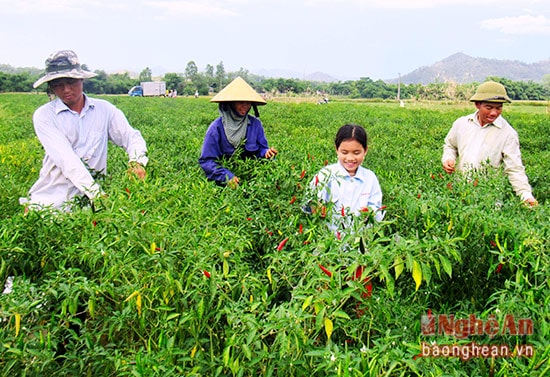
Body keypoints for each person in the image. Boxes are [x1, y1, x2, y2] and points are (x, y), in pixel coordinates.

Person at [19, 50, 148, 212]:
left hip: (90, 206)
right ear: (51, 87)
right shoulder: (45, 116)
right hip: (52, 202)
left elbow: (131, 136)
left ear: (81, 80)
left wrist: (136, 161)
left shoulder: (104, 110)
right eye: (58, 84)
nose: (66, 89)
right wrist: (98, 195)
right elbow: (67, 161)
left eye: (71, 82)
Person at [442, 81, 537, 206]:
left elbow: (514, 168)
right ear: (477, 105)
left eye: (498, 108)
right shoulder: (462, 124)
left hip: (488, 198)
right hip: (458, 191)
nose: (494, 113)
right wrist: (448, 158)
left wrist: (526, 195)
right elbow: (450, 145)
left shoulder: (508, 133)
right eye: (489, 107)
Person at [198, 77, 278, 187]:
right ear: (230, 103)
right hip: (223, 185)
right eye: (241, 102)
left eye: (248, 102)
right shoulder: (216, 128)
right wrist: (226, 176)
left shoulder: (255, 124)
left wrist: (266, 152)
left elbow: (261, 149)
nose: (245, 106)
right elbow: (207, 161)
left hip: (251, 181)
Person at [305, 124, 384, 234]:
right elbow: (309, 202)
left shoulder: (370, 178)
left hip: (360, 243)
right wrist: (316, 207)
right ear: (336, 150)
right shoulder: (325, 175)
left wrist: (369, 213)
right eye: (344, 152)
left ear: (365, 151)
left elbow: (376, 211)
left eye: (356, 153)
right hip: (330, 243)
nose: (350, 158)